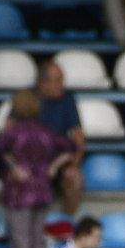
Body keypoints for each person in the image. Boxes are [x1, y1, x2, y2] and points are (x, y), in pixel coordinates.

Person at [0, 90, 70, 248]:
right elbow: (69, 147)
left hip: (20, 191)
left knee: (22, 240)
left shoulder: (14, 133)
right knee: (37, 241)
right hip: (42, 188)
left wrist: (13, 167)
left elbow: (1, 148)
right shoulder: (46, 132)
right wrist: (54, 166)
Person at [33, 61, 89, 216]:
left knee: (74, 178)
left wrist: (74, 164)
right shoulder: (28, 99)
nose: (61, 85)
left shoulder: (68, 99)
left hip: (60, 160)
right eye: (57, 80)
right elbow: (10, 132)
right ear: (43, 83)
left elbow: (78, 136)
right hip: (32, 160)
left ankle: (68, 223)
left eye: (62, 80)